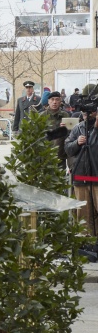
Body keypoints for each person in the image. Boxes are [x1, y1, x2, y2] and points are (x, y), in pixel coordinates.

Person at [65, 105, 98, 239]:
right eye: (85, 113)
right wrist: (77, 143)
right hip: (81, 177)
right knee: (83, 214)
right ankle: (85, 242)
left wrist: (95, 129)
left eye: (91, 112)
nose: (88, 115)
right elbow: (68, 149)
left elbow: (94, 146)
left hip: (96, 177)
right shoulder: (77, 129)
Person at [43, 91, 69, 169]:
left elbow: (71, 134)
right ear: (48, 101)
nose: (54, 102)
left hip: (60, 153)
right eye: (52, 99)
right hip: (46, 153)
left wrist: (65, 129)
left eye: (57, 99)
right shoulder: (42, 116)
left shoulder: (65, 115)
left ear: (60, 101)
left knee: (60, 177)